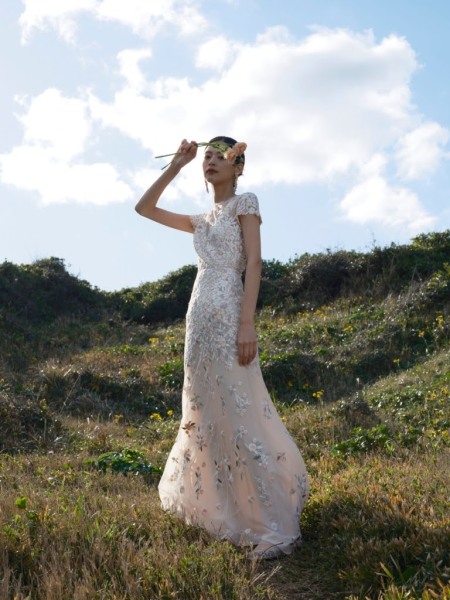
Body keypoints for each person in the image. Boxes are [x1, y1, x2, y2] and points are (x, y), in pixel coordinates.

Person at [135, 136, 309, 559]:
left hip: (231, 316)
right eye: (206, 157)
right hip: (198, 322)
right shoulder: (200, 219)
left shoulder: (244, 203)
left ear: (237, 166)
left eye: (218, 156)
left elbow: (254, 263)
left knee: (239, 408)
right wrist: (177, 164)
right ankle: (228, 510)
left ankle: (272, 522)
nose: (209, 161)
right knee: (206, 411)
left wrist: (247, 325)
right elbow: (144, 208)